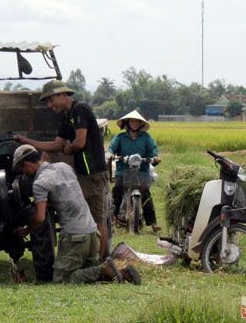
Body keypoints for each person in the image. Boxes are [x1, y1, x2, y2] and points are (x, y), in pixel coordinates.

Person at [13, 144, 140, 285]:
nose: (24, 173)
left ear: (26, 165)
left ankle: (105, 270)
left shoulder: (40, 183)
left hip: (76, 238)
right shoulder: (64, 167)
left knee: (62, 279)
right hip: (92, 234)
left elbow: (40, 217)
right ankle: (121, 273)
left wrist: (25, 231)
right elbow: (66, 193)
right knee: (85, 275)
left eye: (22, 169)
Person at [14, 80, 110, 258]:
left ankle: (103, 261)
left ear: (63, 95)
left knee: (97, 220)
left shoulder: (80, 109)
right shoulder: (67, 117)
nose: (50, 105)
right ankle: (95, 257)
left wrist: (68, 148)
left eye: (51, 100)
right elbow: (55, 144)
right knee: (86, 215)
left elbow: (79, 143)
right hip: (82, 173)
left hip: (93, 173)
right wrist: (27, 142)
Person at [108, 110, 162, 233]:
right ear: (127, 123)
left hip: (141, 171)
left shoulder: (146, 138)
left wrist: (155, 157)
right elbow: (111, 148)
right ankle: (113, 219)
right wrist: (110, 154)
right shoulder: (120, 137)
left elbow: (153, 151)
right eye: (132, 121)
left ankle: (153, 223)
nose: (134, 123)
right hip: (123, 170)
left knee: (146, 194)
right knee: (117, 190)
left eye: (137, 121)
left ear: (140, 124)